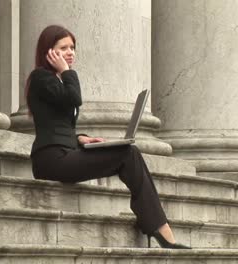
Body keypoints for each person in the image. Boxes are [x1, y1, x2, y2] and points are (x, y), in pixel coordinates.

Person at [26, 25, 191, 249]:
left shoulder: (56, 81)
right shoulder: (41, 77)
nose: (70, 52)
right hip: (51, 159)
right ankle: (158, 226)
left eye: (73, 47)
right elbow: (74, 98)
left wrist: (81, 138)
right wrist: (67, 71)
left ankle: (155, 224)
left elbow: (57, 122)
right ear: (49, 52)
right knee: (127, 154)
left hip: (65, 151)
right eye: (63, 48)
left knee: (128, 152)